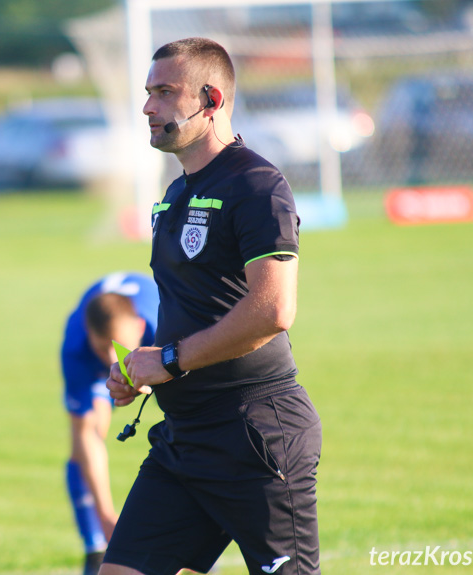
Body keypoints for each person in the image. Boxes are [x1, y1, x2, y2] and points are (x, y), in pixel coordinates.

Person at [101, 38, 322, 575]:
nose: (149, 107)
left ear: (212, 98)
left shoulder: (256, 184)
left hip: (255, 433)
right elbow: (195, 304)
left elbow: (272, 311)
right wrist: (143, 367)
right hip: (184, 438)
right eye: (148, 93)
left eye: (165, 92)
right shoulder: (175, 194)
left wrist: (171, 359)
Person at [60, 272, 160, 575]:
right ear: (88, 332)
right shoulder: (77, 344)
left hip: (157, 353)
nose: (108, 359)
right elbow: (88, 433)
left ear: (139, 329)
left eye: (115, 348)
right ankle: (95, 546)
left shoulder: (163, 326)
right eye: (101, 347)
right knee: (83, 442)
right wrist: (107, 517)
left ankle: (196, 541)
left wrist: (151, 383)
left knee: (186, 430)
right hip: (94, 340)